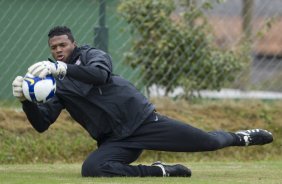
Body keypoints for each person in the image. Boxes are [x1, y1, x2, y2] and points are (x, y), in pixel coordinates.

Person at [12, 26, 273, 177]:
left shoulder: (91, 55)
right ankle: (161, 172)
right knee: (92, 169)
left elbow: (100, 76)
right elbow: (42, 123)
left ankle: (243, 137)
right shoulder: (54, 83)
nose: (58, 50)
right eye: (54, 47)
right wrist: (26, 100)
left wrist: (63, 69)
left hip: (145, 122)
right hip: (116, 140)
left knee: (209, 142)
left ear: (73, 44)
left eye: (63, 45)